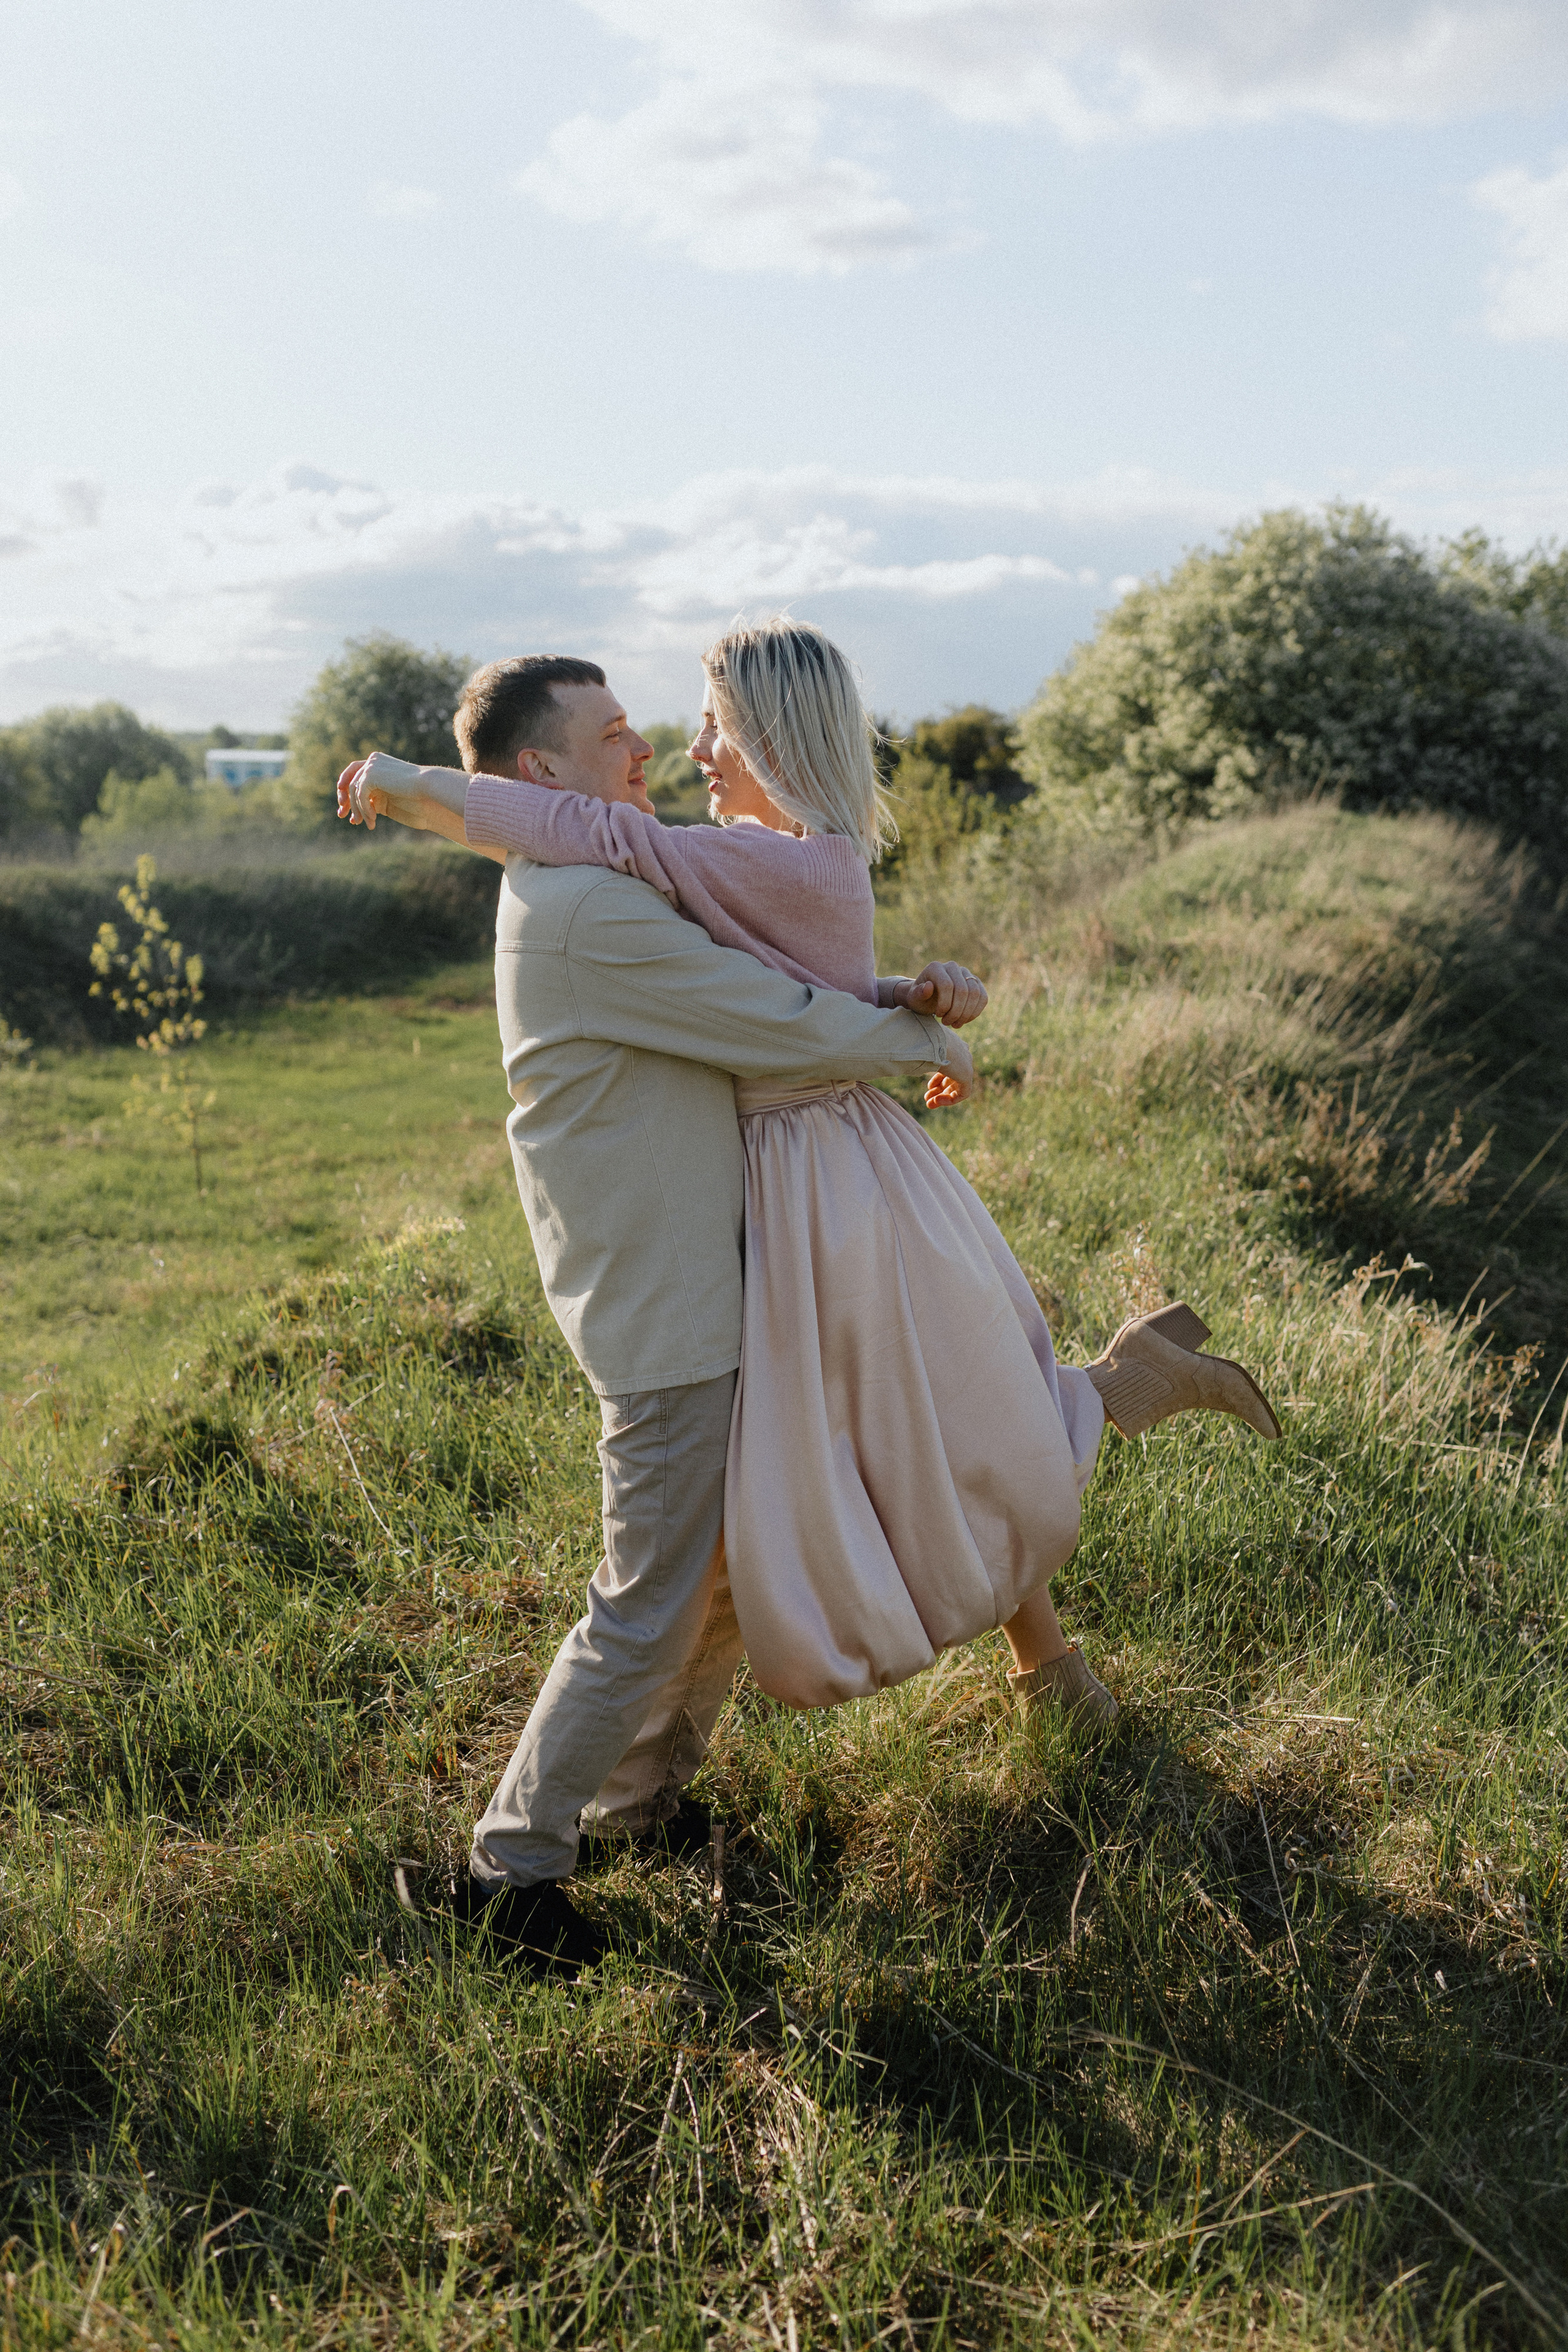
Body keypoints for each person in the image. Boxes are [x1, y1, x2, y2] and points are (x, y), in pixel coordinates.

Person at [344, 625, 1280, 1788]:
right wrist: (918, 1006)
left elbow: (785, 1007)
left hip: (818, 1180)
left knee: (917, 1436)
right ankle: (1083, 1545)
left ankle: (1062, 1610)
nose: (675, 748)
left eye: (705, 728)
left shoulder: (756, 860)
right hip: (775, 1186)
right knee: (917, 1432)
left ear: (767, 742)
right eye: (637, 730)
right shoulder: (689, 860)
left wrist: (916, 1022)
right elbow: (764, 970)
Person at [339, 653, 972, 1975]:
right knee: (643, 1602)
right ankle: (508, 1873)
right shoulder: (581, 912)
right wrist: (922, 1043)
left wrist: (894, 996)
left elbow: (773, 982)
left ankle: (638, 1809)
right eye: (614, 734)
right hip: (666, 1311)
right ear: (538, 773)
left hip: (699, 1289)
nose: (643, 753)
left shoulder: (593, 881)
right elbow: (772, 1021)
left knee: (718, 1581)